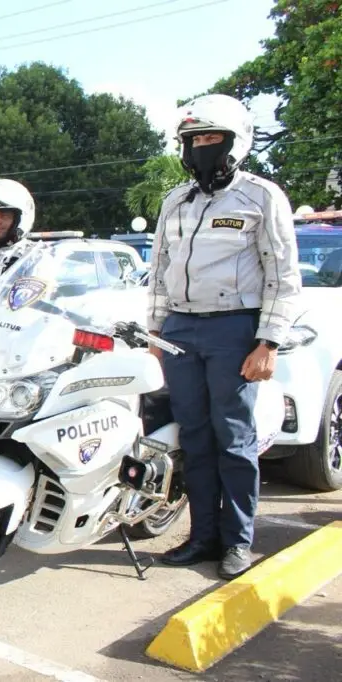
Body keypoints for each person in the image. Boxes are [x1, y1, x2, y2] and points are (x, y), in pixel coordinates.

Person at [146, 93, 302, 580]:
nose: (200, 148)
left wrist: (269, 341)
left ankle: (237, 542)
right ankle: (202, 536)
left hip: (235, 327)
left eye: (211, 139)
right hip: (181, 329)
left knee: (232, 437)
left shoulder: (261, 197)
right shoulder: (176, 200)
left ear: (237, 142)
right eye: (192, 141)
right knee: (193, 436)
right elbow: (159, 270)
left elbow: (283, 275)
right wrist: (156, 330)